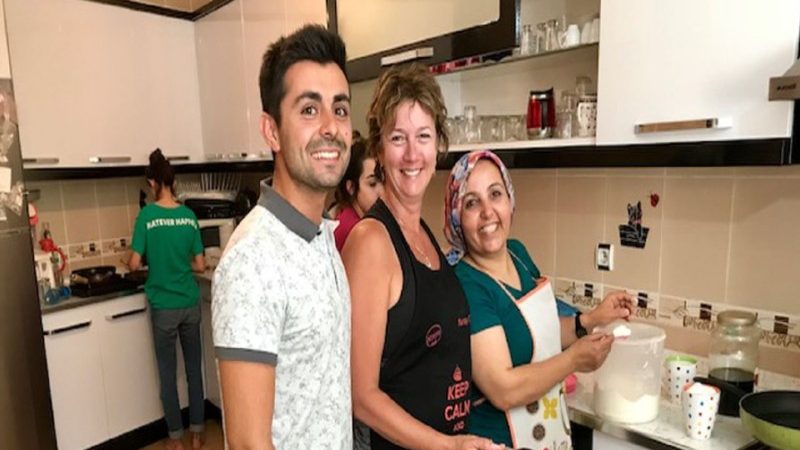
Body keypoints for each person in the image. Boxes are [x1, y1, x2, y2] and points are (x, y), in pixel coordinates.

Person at [342, 64, 503, 450]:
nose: (412, 154)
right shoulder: (371, 242)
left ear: (438, 146)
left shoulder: (424, 233)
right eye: (398, 138)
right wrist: (449, 446)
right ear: (380, 149)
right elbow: (360, 395)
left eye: (424, 136)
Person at [211, 25, 353, 450]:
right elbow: (250, 444)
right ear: (271, 131)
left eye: (340, 110)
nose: (330, 127)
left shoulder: (321, 235)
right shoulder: (253, 261)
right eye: (309, 110)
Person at [443, 150, 635, 450]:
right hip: (499, 442)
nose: (487, 211)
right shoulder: (466, 284)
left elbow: (538, 331)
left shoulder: (518, 253)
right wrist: (573, 359)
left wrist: (590, 320)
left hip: (549, 435)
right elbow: (502, 388)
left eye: (495, 194)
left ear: (510, 201)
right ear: (457, 217)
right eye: (471, 203)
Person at [128, 149, 206, 450]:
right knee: (194, 371)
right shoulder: (188, 217)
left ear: (152, 182)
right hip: (189, 302)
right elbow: (199, 265)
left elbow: (134, 263)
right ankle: (198, 434)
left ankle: (175, 439)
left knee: (168, 374)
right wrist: (180, 263)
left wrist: (130, 258)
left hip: (163, 309)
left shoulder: (147, 216)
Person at [331, 139, 383, 251]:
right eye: (372, 184)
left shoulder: (356, 220)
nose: (382, 192)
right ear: (351, 187)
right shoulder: (353, 229)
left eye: (384, 182)